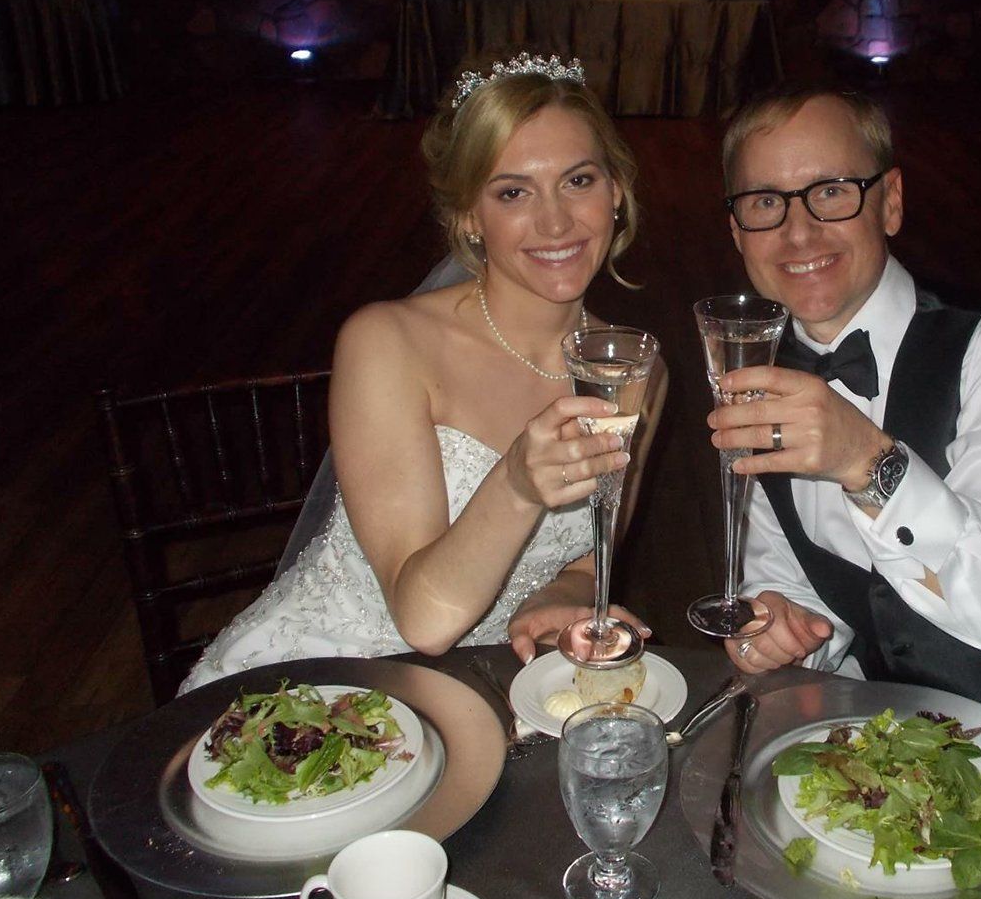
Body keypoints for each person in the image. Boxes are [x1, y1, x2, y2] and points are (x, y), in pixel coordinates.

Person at [706, 83, 981, 785]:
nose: (798, 232)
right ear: (738, 231)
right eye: (766, 202)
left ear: (889, 201)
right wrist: (783, 626)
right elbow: (795, 576)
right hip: (889, 761)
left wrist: (868, 462)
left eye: (832, 192)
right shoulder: (767, 379)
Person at [180, 51, 663, 694]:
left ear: (617, 192)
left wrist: (561, 596)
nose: (555, 221)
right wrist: (516, 484)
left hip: (492, 683)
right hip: (322, 680)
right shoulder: (387, 343)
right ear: (468, 215)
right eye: (512, 192)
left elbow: (589, 556)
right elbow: (422, 621)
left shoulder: (632, 368)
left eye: (578, 181)